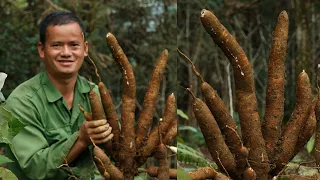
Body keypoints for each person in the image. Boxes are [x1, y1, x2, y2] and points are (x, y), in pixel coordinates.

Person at [5, 11, 113, 179]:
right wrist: (81, 140)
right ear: (42, 50)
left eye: (74, 45)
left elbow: (117, 151)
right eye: (56, 45)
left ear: (85, 49)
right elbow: (36, 168)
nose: (66, 52)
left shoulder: (96, 94)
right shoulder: (22, 102)